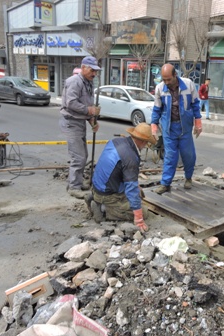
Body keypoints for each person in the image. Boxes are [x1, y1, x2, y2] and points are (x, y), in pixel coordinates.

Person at [89, 123, 156, 232]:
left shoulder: (117, 141)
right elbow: (131, 189)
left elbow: (119, 170)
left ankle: (96, 198)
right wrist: (139, 218)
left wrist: (136, 186)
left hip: (98, 186)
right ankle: (103, 209)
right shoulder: (131, 157)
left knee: (135, 193)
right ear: (143, 141)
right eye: (147, 143)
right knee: (144, 211)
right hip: (107, 194)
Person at [151, 63, 202, 195]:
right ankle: (165, 184)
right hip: (169, 127)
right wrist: (154, 125)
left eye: (169, 79)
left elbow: (195, 104)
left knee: (188, 154)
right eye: (164, 79)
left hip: (185, 126)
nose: (166, 82)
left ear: (175, 75)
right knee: (170, 156)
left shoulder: (188, 84)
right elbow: (157, 109)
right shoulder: (160, 88)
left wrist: (198, 122)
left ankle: (188, 178)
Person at [59, 56, 101, 199]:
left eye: (96, 71)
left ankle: (76, 181)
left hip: (80, 122)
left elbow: (87, 104)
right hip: (71, 122)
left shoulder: (88, 83)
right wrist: (89, 111)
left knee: (84, 155)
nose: (94, 74)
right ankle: (74, 187)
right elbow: (71, 103)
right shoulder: (74, 82)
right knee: (79, 156)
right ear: (83, 68)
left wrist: (92, 120)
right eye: (92, 70)